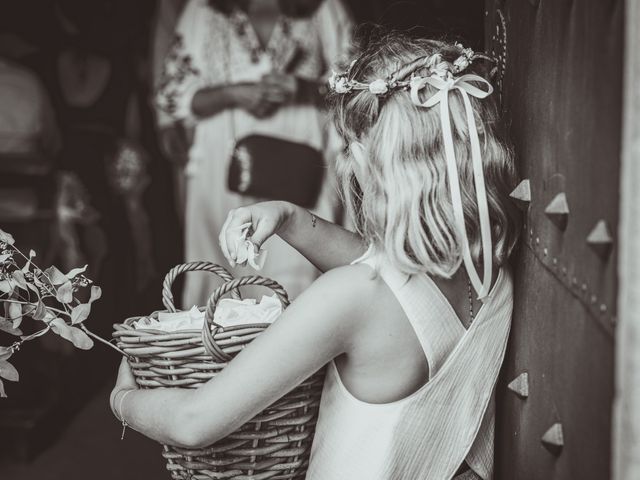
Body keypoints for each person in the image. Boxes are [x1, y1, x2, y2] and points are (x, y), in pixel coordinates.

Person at [112, 34, 521, 479]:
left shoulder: (348, 298)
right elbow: (393, 283)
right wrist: (290, 219)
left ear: (367, 158)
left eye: (347, 147)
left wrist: (122, 399)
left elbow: (193, 423)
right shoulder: (488, 267)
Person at [155, 0, 354, 306]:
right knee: (218, 283)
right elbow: (171, 95)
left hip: (300, 167)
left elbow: (356, 84)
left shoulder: (323, 8)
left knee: (297, 285)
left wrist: (303, 89)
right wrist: (231, 94)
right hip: (219, 166)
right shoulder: (204, 9)